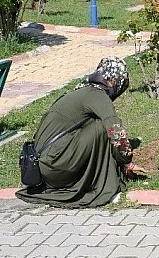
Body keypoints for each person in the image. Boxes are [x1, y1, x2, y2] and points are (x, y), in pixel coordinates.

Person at [16, 57, 145, 208]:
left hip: (45, 168)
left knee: (99, 126)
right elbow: (115, 129)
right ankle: (102, 185)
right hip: (56, 166)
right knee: (102, 126)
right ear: (113, 80)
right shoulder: (96, 95)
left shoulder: (82, 91)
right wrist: (126, 160)